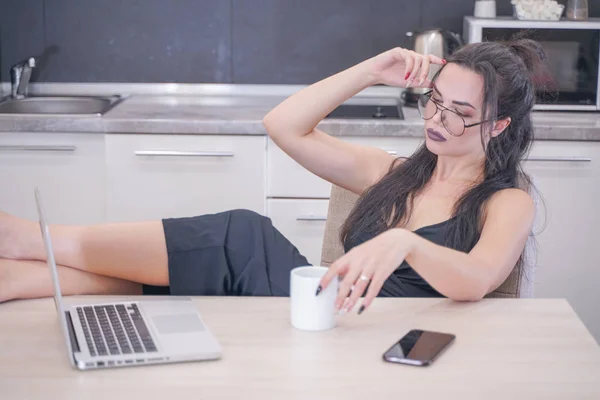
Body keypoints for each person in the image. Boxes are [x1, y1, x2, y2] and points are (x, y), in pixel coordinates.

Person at [0, 39, 543, 314]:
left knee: (239, 241)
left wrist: (406, 244)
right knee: (239, 239)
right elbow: (283, 126)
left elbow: (477, 280)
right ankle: (32, 271)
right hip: (318, 314)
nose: (437, 121)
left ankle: (37, 245)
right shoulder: (392, 173)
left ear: (496, 125)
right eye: (433, 102)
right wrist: (368, 72)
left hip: (371, 336)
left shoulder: (506, 201)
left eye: (458, 112)